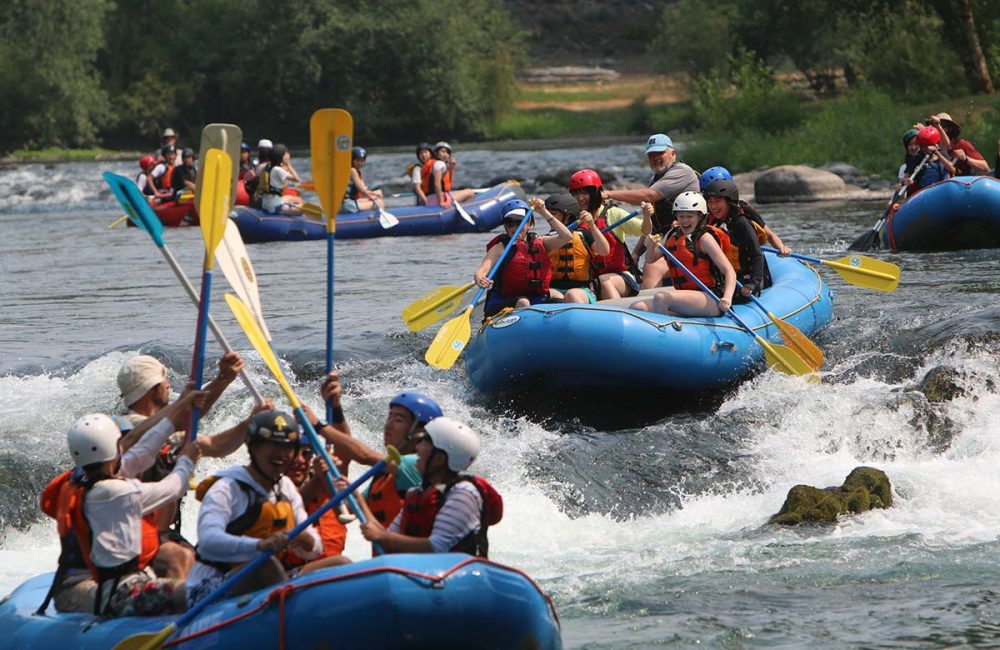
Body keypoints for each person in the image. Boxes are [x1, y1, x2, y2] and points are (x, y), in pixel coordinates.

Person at [41, 395, 204, 616]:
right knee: (197, 591)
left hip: (120, 586)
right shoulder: (113, 492)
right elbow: (172, 489)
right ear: (113, 450)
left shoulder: (85, 479)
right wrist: (186, 460)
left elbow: (142, 454)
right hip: (114, 593)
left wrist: (179, 410)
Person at [116, 353, 265, 580]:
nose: (168, 385)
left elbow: (215, 445)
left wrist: (250, 422)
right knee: (184, 559)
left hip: (165, 534)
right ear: (151, 388)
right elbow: (182, 416)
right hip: (135, 539)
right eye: (163, 381)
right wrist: (221, 380)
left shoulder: (166, 429)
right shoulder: (126, 432)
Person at [187, 410, 323, 606]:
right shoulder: (227, 488)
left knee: (339, 564)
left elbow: (315, 548)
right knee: (265, 565)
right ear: (254, 448)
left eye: (287, 447)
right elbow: (208, 541)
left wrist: (306, 539)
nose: (281, 455)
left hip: (266, 581)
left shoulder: (286, 488)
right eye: (273, 446)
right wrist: (258, 546)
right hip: (212, 587)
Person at [307, 377, 443, 539]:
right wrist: (336, 407)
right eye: (389, 417)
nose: (389, 424)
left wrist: (318, 426)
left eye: (398, 420)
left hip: (417, 562)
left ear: (420, 432)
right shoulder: (383, 477)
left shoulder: (418, 466)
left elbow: (363, 455)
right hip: (389, 561)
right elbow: (345, 510)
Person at [359, 417, 502, 558]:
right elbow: (387, 536)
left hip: (457, 574)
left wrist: (384, 537)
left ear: (440, 459)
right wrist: (358, 498)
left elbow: (437, 547)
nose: (417, 447)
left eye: (425, 443)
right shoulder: (417, 492)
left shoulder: (463, 493)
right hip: (426, 574)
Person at [631, 191, 736, 317]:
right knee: (638, 307)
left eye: (689, 216)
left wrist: (727, 298)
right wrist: (652, 245)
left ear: (700, 216)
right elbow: (650, 259)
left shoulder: (705, 239)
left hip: (710, 297)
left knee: (661, 298)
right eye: (681, 216)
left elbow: (729, 271)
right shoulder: (672, 234)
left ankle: (666, 332)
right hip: (684, 296)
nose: (684, 221)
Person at [474, 198, 573, 318]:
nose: (514, 227)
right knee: (523, 302)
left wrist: (543, 212)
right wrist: (480, 280)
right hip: (504, 301)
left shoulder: (541, 242)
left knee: (560, 300)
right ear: (505, 226)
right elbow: (480, 273)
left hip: (535, 298)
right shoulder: (500, 248)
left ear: (530, 224)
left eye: (520, 222)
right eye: (510, 223)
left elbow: (566, 236)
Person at [567, 169, 645, 300]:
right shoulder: (574, 220)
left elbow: (644, 230)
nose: (580, 198)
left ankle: (618, 315)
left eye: (585, 193)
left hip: (621, 278)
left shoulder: (613, 213)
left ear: (597, 192)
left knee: (604, 281)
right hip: (591, 282)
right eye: (576, 194)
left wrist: (647, 216)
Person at [698, 166, 791, 256]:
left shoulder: (744, 209)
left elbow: (769, 234)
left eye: (716, 197)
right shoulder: (705, 211)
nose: (712, 203)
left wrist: (781, 247)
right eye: (708, 196)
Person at [702, 179, 771, 299]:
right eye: (709, 202)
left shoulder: (741, 223)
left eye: (717, 201)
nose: (713, 206)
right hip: (731, 276)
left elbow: (756, 254)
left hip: (749, 278)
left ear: (729, 201)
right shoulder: (715, 223)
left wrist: (753, 283)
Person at [543, 192, 610, 304]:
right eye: (548, 215)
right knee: (553, 296)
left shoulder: (585, 235)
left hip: (581, 290)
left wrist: (592, 226)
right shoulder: (547, 239)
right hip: (554, 288)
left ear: (568, 216)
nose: (549, 219)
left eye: (554, 214)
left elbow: (604, 251)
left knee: (572, 295)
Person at [420, 142, 476, 208]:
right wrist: (441, 201)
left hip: (430, 199)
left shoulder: (434, 164)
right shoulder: (440, 164)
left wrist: (451, 168)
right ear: (436, 153)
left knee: (464, 191)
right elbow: (437, 183)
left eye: (447, 153)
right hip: (437, 200)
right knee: (470, 192)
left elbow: (448, 184)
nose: (445, 154)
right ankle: (469, 211)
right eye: (443, 152)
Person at [902, 126, 955, 194]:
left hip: (943, 189)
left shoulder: (942, 154)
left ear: (936, 144)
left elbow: (951, 168)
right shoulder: (917, 158)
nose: (925, 149)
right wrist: (907, 181)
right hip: (926, 192)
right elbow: (906, 177)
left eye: (927, 146)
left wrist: (937, 154)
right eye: (922, 146)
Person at [253, 144, 303, 215]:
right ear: (282, 157)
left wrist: (256, 194)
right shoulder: (278, 170)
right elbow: (297, 179)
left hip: (266, 203)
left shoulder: (267, 167)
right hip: (275, 206)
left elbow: (261, 185)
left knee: (297, 199)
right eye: (286, 154)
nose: (288, 155)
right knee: (302, 210)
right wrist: (288, 164)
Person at [343, 146, 386, 213]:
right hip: (349, 205)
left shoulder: (352, 170)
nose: (360, 163)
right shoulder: (352, 170)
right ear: (352, 160)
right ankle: (380, 222)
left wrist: (374, 193)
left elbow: (362, 191)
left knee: (376, 197)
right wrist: (373, 197)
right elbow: (361, 190)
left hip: (346, 204)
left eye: (362, 161)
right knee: (379, 202)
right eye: (357, 160)